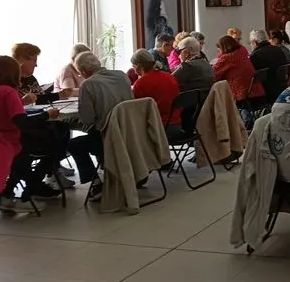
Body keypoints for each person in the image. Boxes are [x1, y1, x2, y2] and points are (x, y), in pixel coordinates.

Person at [0, 55, 62, 211]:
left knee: (30, 153)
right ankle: (32, 188)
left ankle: (11, 191)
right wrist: (47, 115)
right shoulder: (7, 92)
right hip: (7, 142)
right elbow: (22, 122)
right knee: (56, 144)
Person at [68, 51, 133, 198]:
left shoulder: (88, 85)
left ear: (83, 71)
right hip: (130, 131)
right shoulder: (122, 76)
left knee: (74, 144)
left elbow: (87, 119)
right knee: (94, 131)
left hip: (108, 138)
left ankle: (96, 183)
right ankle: (108, 167)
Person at [12, 42, 73, 183]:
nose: (36, 65)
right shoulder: (10, 80)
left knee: (63, 128)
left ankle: (52, 167)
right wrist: (23, 102)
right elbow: (15, 107)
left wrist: (60, 95)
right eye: (34, 60)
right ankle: (44, 174)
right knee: (56, 134)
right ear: (22, 60)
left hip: (34, 119)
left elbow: (39, 99)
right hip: (22, 126)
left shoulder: (30, 79)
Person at [130, 49, 181, 134]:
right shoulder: (170, 77)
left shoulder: (140, 83)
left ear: (139, 66)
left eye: (133, 66)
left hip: (158, 129)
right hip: (177, 124)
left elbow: (136, 110)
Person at [213, 35, 264, 102]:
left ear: (223, 48)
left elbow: (214, 74)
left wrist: (220, 56)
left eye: (219, 49)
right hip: (254, 89)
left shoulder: (227, 58)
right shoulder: (242, 50)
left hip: (241, 93)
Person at [250, 29, 290, 101]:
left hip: (265, 92)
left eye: (250, 43)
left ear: (255, 42)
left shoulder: (255, 56)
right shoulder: (279, 50)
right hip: (282, 87)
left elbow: (252, 76)